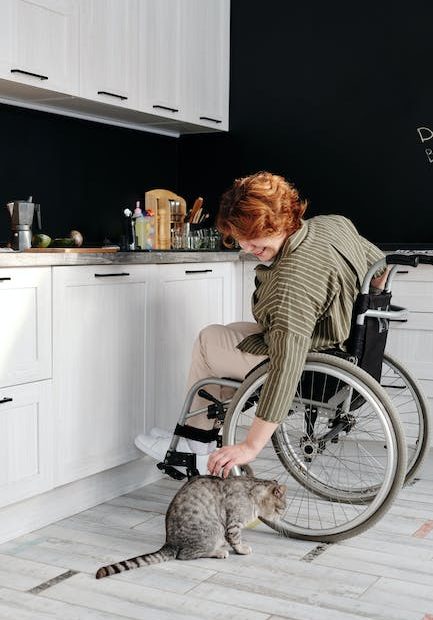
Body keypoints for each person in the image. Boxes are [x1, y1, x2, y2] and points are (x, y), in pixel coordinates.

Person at [136, 171, 388, 478]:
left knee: (208, 341)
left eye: (250, 236)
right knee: (226, 333)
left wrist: (250, 446)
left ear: (277, 223)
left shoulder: (292, 282)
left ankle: (197, 446)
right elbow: (379, 267)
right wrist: (356, 313)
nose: (244, 246)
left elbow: (286, 366)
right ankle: (197, 436)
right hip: (344, 347)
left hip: (311, 365)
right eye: (239, 237)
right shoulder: (334, 225)